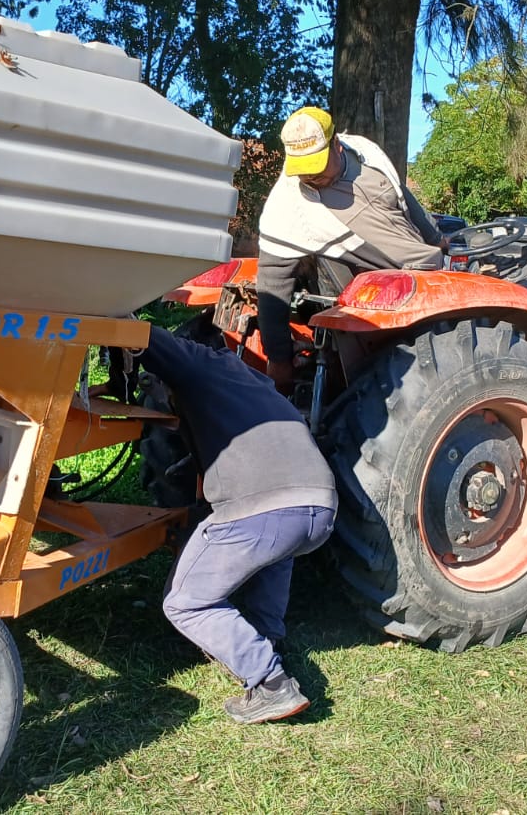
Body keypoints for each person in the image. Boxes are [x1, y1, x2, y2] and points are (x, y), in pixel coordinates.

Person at [134, 325, 338, 723]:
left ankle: (271, 684)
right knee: (275, 552)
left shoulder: (198, 364)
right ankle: (266, 639)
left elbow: (144, 336)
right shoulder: (253, 382)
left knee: (185, 603)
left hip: (264, 511)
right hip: (319, 508)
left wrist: (111, 318)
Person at [257, 106, 446, 391]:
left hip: (432, 275)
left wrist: (435, 236)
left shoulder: (366, 152)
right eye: (302, 169)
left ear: (337, 144)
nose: (310, 177)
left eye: (317, 165)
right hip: (391, 298)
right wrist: (278, 358)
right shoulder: (286, 207)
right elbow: (271, 284)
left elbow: (400, 193)